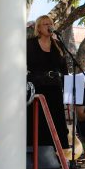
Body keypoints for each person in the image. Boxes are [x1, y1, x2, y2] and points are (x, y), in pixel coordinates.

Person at [27, 14, 70, 150]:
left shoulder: (58, 45)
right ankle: (37, 156)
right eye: (45, 24)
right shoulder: (30, 44)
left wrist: (68, 91)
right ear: (38, 28)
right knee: (39, 123)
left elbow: (64, 69)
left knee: (56, 123)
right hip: (37, 89)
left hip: (55, 90)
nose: (49, 26)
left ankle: (57, 157)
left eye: (50, 23)